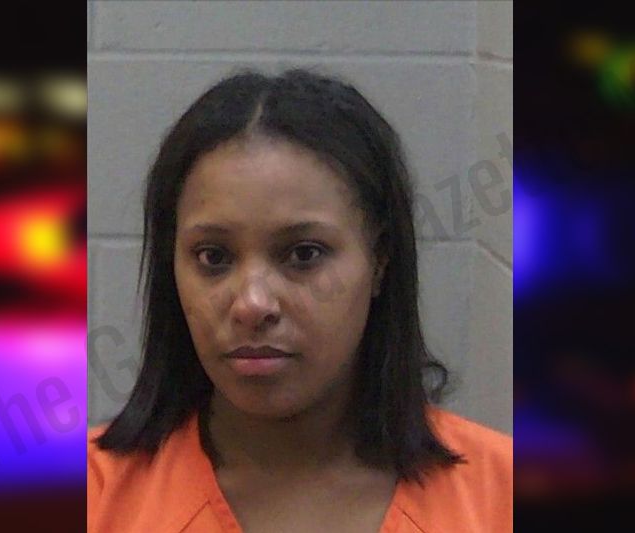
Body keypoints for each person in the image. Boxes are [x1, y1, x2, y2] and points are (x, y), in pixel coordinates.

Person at [87, 68, 512, 533]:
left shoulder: (502, 494)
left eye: (304, 254)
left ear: (380, 260)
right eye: (213, 257)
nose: (252, 304)